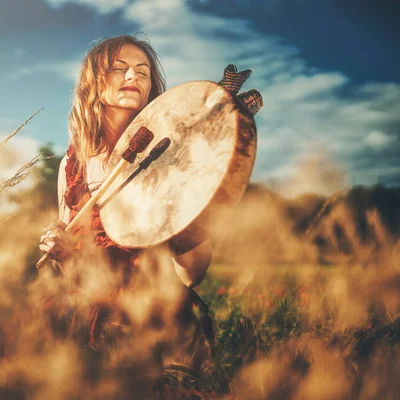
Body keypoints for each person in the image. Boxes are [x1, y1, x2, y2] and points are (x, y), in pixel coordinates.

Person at [38, 34, 260, 397]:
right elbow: (71, 250)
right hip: (84, 307)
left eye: (143, 71)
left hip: (150, 311)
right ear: (93, 83)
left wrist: (185, 201)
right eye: (119, 68)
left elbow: (192, 273)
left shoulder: (178, 158)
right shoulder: (72, 164)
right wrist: (57, 244)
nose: (134, 76)